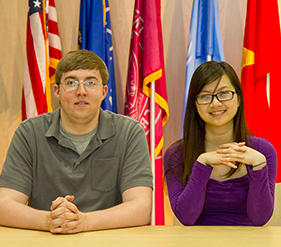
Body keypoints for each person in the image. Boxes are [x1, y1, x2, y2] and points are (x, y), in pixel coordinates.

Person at [0, 50, 153, 233]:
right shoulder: (29, 132)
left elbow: (141, 208)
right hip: (47, 242)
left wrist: (84, 222)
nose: (81, 91)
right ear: (57, 91)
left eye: (91, 83)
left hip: (109, 242)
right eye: (71, 82)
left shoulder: (129, 132)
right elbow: (4, 205)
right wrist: (49, 220)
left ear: (104, 91)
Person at [164, 61, 277, 226]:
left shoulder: (262, 151)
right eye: (205, 96)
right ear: (195, 105)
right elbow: (186, 218)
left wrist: (258, 167)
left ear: (238, 99)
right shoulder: (177, 154)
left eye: (224, 93)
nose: (215, 103)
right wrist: (202, 164)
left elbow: (260, 219)